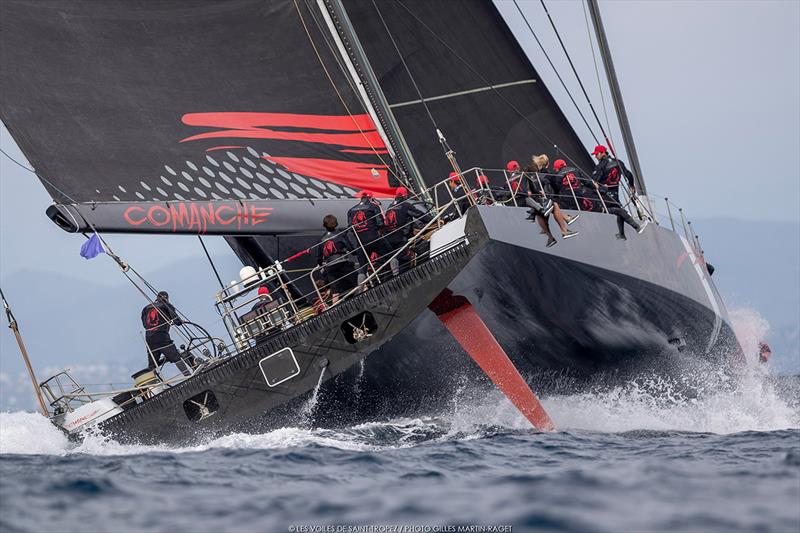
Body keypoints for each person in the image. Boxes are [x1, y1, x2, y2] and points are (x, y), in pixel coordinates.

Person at [524, 155, 579, 246]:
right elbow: (555, 188)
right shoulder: (547, 175)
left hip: (535, 202)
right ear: (547, 164)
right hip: (546, 200)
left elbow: (530, 189)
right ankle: (564, 229)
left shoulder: (532, 176)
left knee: (539, 213)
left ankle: (550, 238)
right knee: (555, 205)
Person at [141, 291, 191, 376]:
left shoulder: (146, 308)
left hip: (149, 338)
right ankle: (188, 376)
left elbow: (145, 324)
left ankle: (154, 385)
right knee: (176, 357)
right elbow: (177, 321)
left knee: (152, 364)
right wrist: (180, 322)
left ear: (157, 298)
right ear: (167, 298)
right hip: (162, 336)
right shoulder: (167, 305)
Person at [383, 187, 432, 273]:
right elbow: (419, 215)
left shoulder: (390, 207)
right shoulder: (405, 205)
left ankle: (395, 272)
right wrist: (434, 219)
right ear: (405, 196)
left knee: (396, 256)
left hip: (389, 238)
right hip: (401, 238)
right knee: (410, 254)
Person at [317, 214, 358, 304]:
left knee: (335, 291)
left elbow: (319, 257)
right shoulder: (340, 234)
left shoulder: (321, 239)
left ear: (324, 225)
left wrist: (321, 265)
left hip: (330, 267)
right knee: (358, 280)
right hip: (342, 263)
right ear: (336, 224)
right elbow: (350, 248)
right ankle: (366, 295)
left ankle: (334, 307)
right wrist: (355, 252)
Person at [347, 191, 385, 272]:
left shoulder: (351, 210)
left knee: (362, 268)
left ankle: (362, 283)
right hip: (374, 238)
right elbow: (380, 223)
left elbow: (350, 228)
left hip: (360, 243)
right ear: (370, 198)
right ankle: (396, 275)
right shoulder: (373, 206)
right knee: (391, 254)